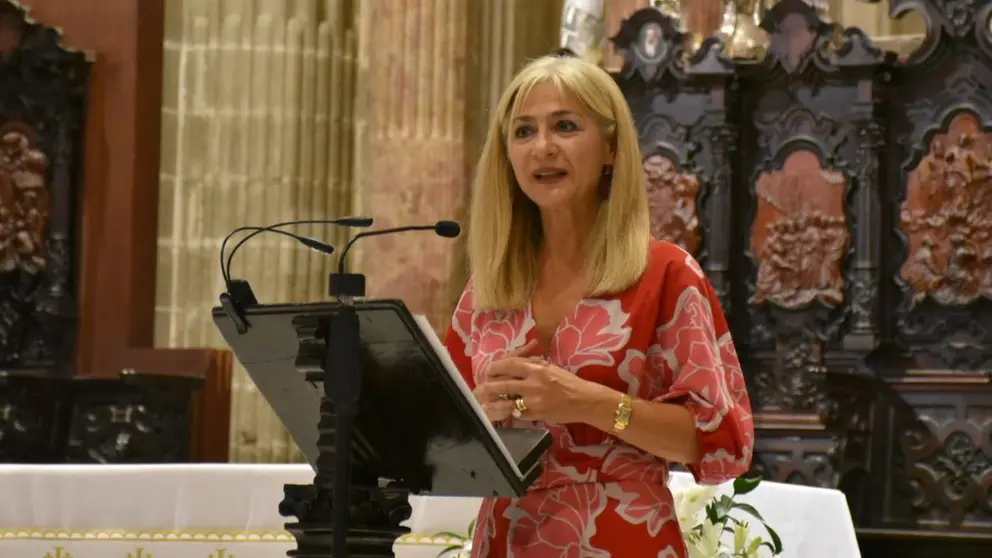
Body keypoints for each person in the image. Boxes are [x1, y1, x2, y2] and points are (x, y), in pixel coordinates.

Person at [442, 53, 753, 558]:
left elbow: (718, 441)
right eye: (523, 132)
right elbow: (444, 432)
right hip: (505, 538)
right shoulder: (487, 288)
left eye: (565, 126)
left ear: (610, 148)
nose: (542, 147)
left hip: (623, 536)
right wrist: (473, 419)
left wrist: (586, 402)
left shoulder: (667, 274)